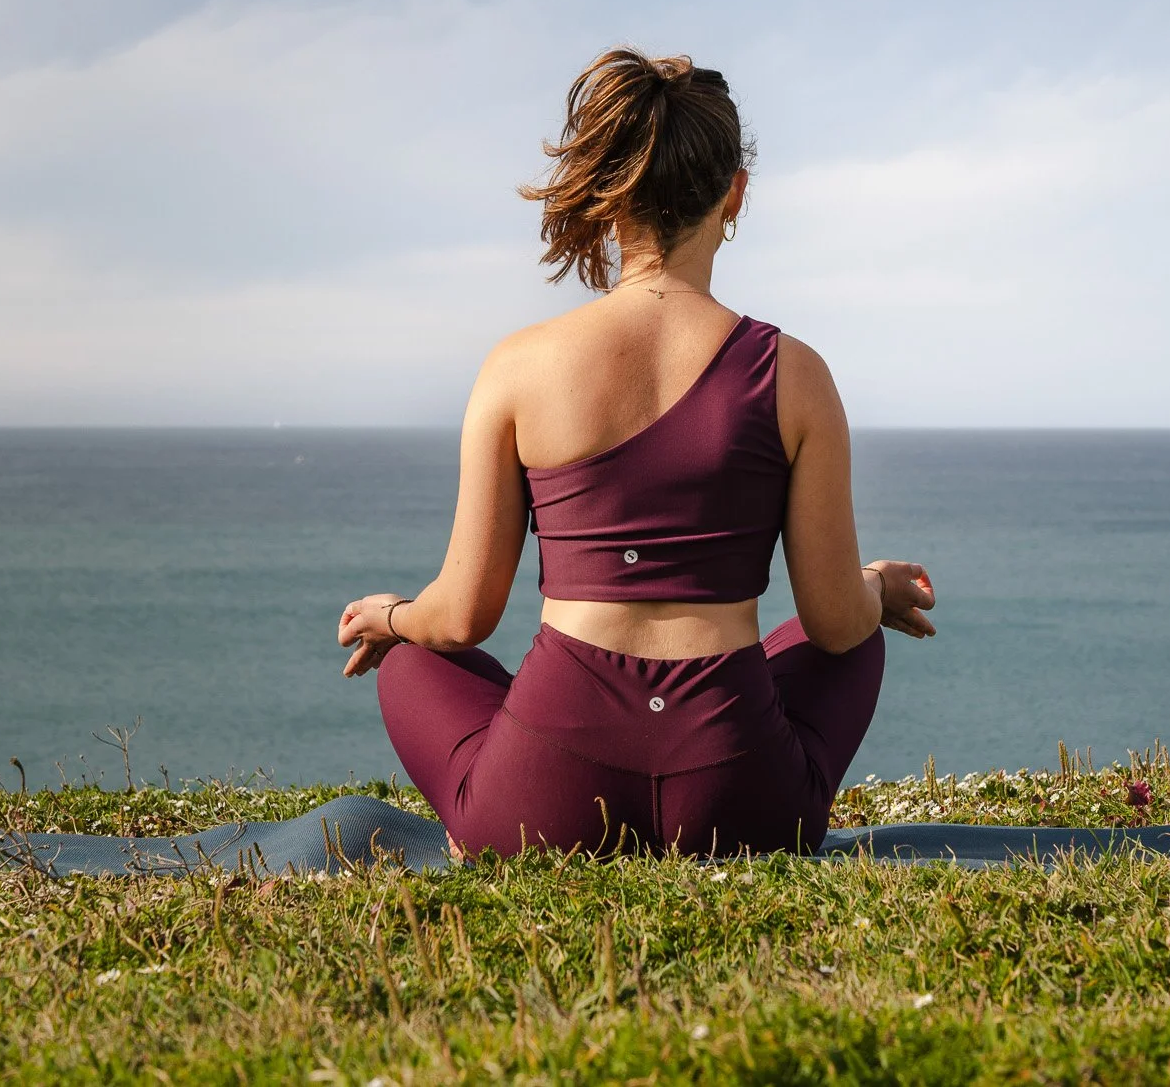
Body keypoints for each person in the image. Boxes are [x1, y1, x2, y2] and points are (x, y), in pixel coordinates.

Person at [335, 48, 936, 858]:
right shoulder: (796, 374)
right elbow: (832, 624)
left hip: (546, 800)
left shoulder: (517, 366)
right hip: (739, 799)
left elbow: (464, 613)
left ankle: (487, 805)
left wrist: (393, 617)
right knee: (855, 637)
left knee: (412, 659)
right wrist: (870, 588)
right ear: (735, 193)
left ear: (607, 198)